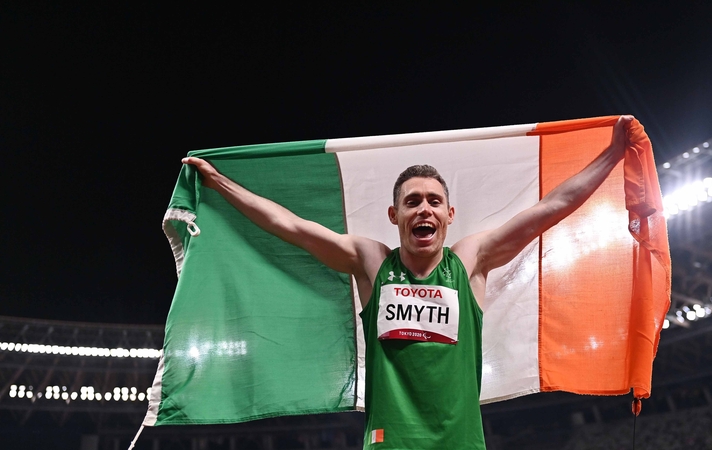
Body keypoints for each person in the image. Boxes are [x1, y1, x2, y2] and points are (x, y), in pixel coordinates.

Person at [182, 115, 633, 449]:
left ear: (449, 216)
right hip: (389, 442)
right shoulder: (372, 261)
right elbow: (292, 227)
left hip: (461, 443)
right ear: (394, 215)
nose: (424, 209)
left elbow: (551, 207)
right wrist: (222, 184)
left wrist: (613, 154)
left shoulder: (470, 260)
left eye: (434, 201)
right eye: (412, 201)